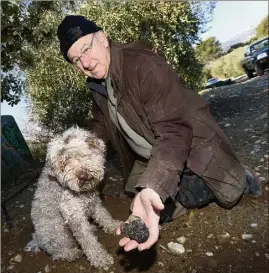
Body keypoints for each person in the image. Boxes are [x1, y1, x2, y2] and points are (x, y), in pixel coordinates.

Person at [57, 15, 261, 253]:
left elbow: (174, 131)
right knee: (144, 204)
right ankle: (177, 190)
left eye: (86, 49)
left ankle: (243, 178)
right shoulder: (97, 86)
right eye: (77, 60)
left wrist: (154, 185)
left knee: (229, 195)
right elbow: (100, 125)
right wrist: (80, 149)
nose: (86, 62)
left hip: (191, 143)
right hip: (151, 155)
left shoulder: (144, 65)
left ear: (102, 38)